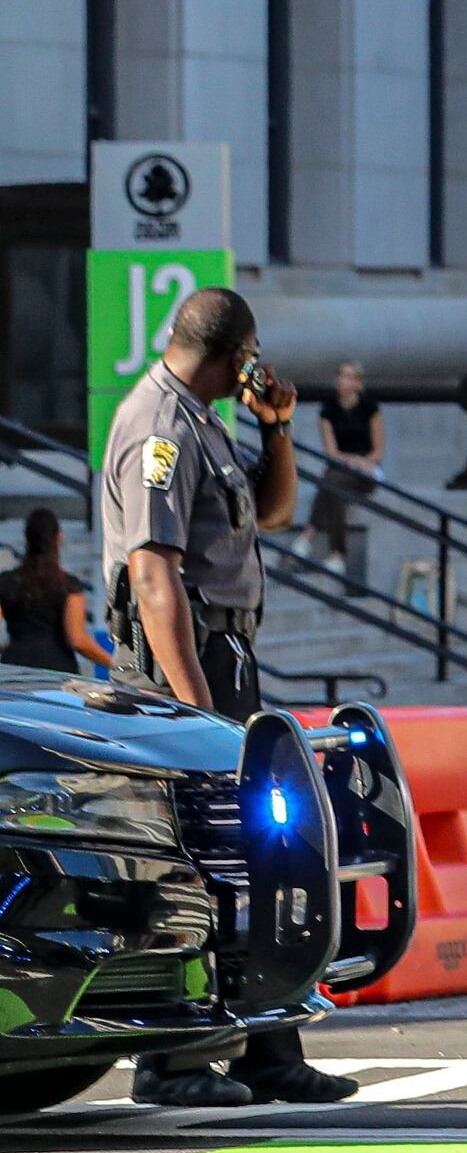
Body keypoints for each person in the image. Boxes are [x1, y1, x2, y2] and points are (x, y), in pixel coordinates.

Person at [97, 287, 354, 1108]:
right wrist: (195, 715)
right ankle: (171, 1061)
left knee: (254, 851)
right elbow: (151, 575)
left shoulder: (207, 422)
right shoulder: (158, 426)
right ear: (237, 352)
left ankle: (269, 1050)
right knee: (191, 857)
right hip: (182, 667)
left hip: (224, 654)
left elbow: (273, 511)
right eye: (253, 356)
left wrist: (276, 426)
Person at [3, 509, 114, 676]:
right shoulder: (68, 585)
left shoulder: (6, 581)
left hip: (15, 668)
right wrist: (114, 664)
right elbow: (78, 640)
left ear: (27, 539)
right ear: (59, 537)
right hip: (58, 670)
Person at [307, 362, 384, 581]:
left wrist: (363, 462)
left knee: (330, 482)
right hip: (340, 468)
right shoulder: (328, 410)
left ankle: (309, 533)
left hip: (366, 471)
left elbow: (378, 451)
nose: (342, 381)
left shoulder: (370, 408)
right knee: (334, 484)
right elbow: (332, 452)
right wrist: (353, 460)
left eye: (349, 377)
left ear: (358, 383)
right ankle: (337, 553)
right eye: (340, 376)